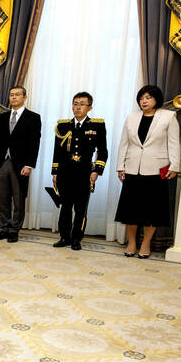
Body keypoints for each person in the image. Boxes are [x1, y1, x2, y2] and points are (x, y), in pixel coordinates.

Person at [114, 84, 180, 258]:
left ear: (156, 99)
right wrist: (120, 166)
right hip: (132, 168)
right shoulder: (131, 118)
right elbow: (124, 143)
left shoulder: (169, 117)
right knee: (130, 211)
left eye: (148, 97)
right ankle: (132, 243)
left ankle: (145, 244)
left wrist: (174, 165)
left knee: (152, 210)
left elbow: (173, 143)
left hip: (157, 170)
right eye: (142, 98)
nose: (144, 101)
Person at [51, 92, 108, 251]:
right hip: (65, 172)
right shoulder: (62, 126)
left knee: (81, 208)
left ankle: (76, 239)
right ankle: (64, 237)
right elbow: (57, 151)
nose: (77, 107)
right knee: (65, 207)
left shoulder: (97, 125)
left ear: (89, 107)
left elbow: (102, 150)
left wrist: (97, 170)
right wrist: (55, 172)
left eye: (82, 104)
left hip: (84, 173)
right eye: (75, 103)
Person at [0, 86, 41, 242]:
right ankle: (5, 228)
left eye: (17, 95)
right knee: (2, 197)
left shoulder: (33, 117)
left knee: (19, 199)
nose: (13, 97)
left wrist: (29, 165)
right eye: (11, 95)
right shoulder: (3, 117)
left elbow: (34, 143)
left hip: (21, 164)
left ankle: (14, 230)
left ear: (24, 97)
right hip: (2, 162)